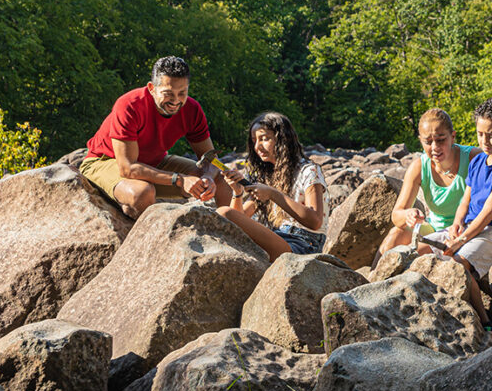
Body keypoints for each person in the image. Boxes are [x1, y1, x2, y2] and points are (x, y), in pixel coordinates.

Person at [80, 56, 231, 218]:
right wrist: (179, 180)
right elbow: (128, 168)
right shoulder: (130, 105)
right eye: (168, 93)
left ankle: (230, 231)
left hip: (153, 163)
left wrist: (208, 176)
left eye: (182, 93)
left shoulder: (192, 110)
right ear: (152, 88)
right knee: (143, 192)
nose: (175, 100)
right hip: (105, 162)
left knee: (220, 177)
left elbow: (211, 158)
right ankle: (141, 234)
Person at [426, 96, 492, 327]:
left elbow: (488, 213)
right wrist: (457, 223)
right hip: (472, 228)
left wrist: (460, 240)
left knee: (459, 262)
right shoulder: (478, 160)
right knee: (423, 247)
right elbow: (466, 199)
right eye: (480, 134)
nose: (485, 141)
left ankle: (485, 322)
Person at [216, 111, 327, 261]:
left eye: (265, 139)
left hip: (303, 245)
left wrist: (273, 194)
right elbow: (238, 221)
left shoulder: (309, 170)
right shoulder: (266, 176)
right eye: (254, 140)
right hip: (278, 237)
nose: (257, 146)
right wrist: (237, 192)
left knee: (223, 213)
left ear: (282, 139)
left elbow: (315, 221)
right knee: (223, 215)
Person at [376, 108, 480, 259]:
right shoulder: (419, 167)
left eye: (441, 139)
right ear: (420, 141)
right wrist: (408, 215)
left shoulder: (473, 158)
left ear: (453, 136)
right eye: (428, 142)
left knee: (416, 253)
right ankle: (372, 280)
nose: (435, 147)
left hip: (467, 230)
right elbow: (396, 215)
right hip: (434, 228)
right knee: (396, 233)